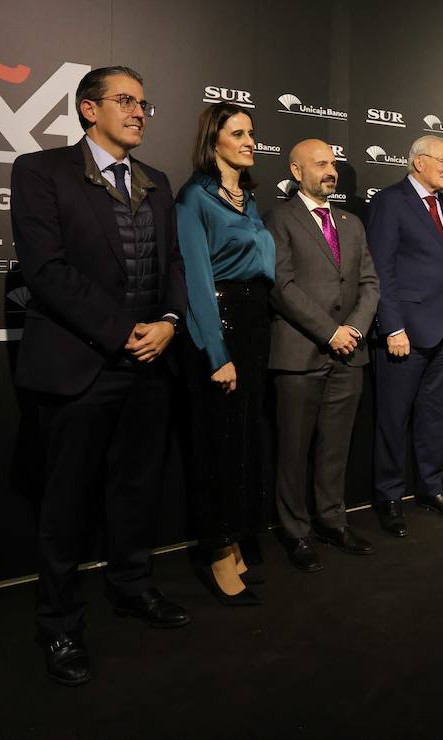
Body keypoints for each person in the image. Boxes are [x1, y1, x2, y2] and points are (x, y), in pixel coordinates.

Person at [11, 66, 189, 686]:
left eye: (144, 103)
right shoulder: (41, 172)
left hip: (150, 363)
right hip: (80, 365)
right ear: (89, 110)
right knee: (66, 503)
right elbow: (47, 271)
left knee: (137, 489)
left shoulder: (158, 182)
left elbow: (173, 264)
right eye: (125, 101)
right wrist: (121, 332)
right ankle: (57, 623)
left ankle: (133, 586)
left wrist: (168, 320)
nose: (139, 112)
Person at [175, 102, 276, 605]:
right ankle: (216, 551)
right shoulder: (195, 197)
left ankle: (234, 538)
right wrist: (217, 353)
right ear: (214, 139)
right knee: (217, 444)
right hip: (219, 325)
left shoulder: (246, 198)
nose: (249, 141)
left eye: (252, 133)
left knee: (241, 442)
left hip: (255, 326)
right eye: (238, 133)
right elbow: (197, 281)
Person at [263, 140, 380, 572]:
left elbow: (370, 283)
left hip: (350, 354)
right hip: (299, 353)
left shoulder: (351, 222)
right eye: (321, 164)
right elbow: (280, 286)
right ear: (297, 171)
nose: (330, 171)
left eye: (332, 163)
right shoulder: (278, 219)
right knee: (293, 450)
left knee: (336, 447)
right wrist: (330, 331)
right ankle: (295, 532)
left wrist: (354, 330)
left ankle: (332, 520)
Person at [367, 135, 443, 536]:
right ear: (419, 162)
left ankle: (431, 487)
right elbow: (380, 269)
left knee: (434, 417)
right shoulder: (390, 202)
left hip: (442, 330)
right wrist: (392, 326)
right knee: (392, 419)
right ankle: (389, 497)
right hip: (403, 332)